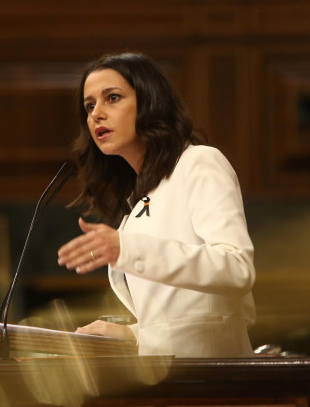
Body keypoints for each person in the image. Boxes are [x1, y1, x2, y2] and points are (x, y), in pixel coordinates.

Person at [57, 52, 256, 357]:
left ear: (150, 102)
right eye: (89, 105)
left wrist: (128, 249)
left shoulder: (199, 163)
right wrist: (132, 334)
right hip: (167, 382)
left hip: (213, 385)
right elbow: (189, 315)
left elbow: (237, 269)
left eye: (112, 97)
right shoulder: (137, 199)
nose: (96, 113)